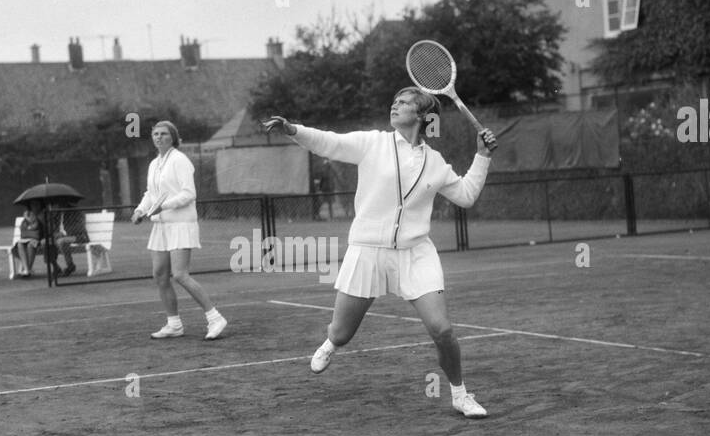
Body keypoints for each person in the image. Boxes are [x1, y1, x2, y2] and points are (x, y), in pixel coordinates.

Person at [259, 88, 497, 418]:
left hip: (415, 254)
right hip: (367, 251)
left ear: (422, 115)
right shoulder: (373, 143)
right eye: (394, 102)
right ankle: (330, 343)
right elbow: (330, 142)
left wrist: (482, 156)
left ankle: (459, 393)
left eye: (403, 103)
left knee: (442, 329)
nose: (394, 106)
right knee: (341, 333)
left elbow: (467, 195)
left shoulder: (436, 162)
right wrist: (292, 129)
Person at [131, 120, 228, 340]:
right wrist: (140, 210)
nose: (159, 137)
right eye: (155, 134)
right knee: (160, 275)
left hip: (181, 224)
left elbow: (188, 193)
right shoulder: (155, 164)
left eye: (164, 134)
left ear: (172, 138)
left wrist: (162, 206)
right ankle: (174, 324)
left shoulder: (180, 160)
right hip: (161, 226)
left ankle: (215, 318)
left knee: (180, 275)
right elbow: (150, 193)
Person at [16, 206, 43, 277]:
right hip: (25, 240)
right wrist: (27, 221)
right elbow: (23, 234)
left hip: (36, 242)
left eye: (31, 214)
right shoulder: (24, 222)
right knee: (19, 244)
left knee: (30, 245)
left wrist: (29, 225)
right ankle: (27, 270)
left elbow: (35, 232)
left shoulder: (38, 221)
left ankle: (27, 270)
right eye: (28, 215)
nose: (30, 216)